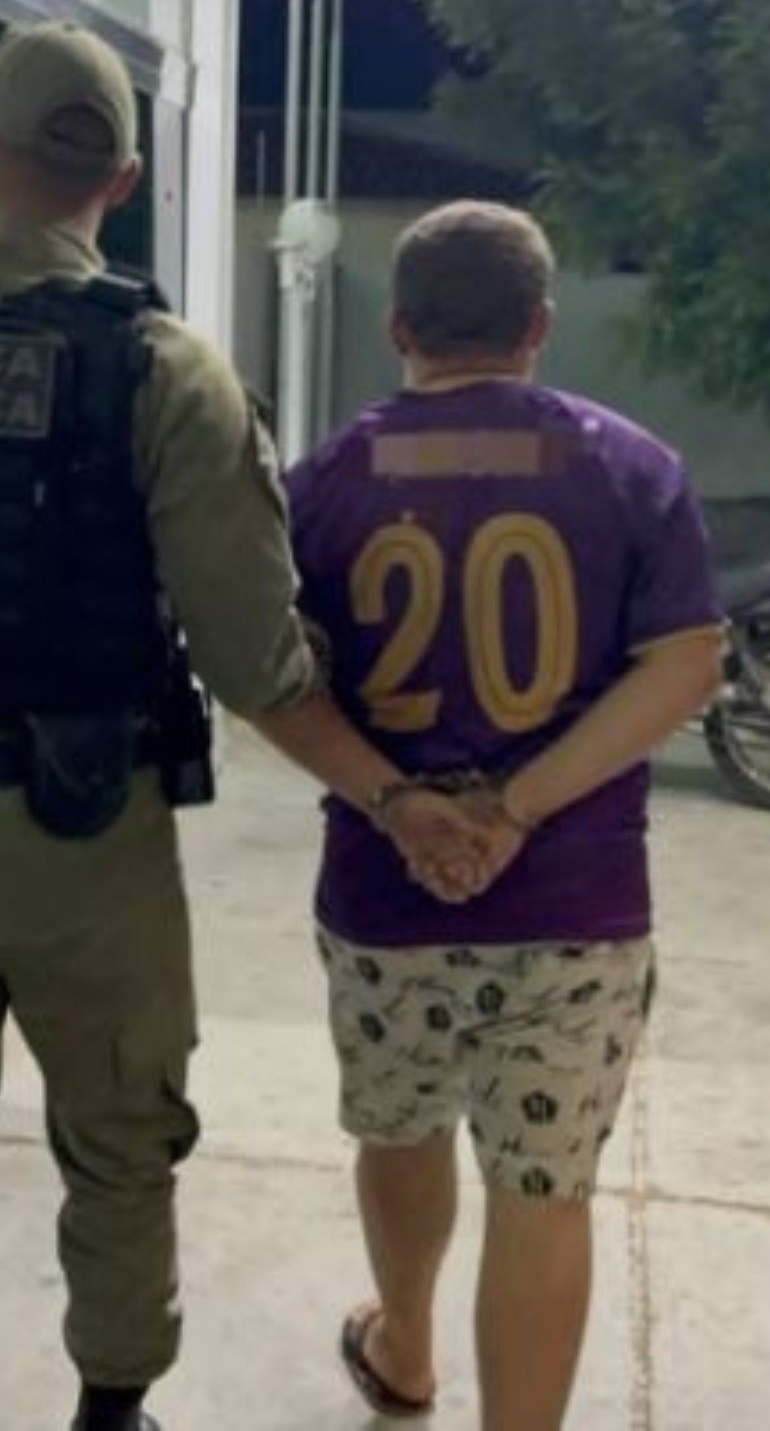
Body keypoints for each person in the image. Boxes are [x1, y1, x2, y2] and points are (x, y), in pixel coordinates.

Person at [0, 24, 492, 1431]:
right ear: (120, 182)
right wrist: (387, 770)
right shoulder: (162, 367)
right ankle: (113, 1414)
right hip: (92, 849)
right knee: (121, 1146)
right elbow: (251, 661)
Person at [287, 200, 727, 1430]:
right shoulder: (631, 468)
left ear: (397, 328)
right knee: (543, 1190)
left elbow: (274, 681)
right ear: (537, 325)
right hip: (575, 904)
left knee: (399, 1128)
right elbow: (686, 663)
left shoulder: (321, 482)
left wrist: (401, 806)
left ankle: (405, 1349)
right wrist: (514, 811)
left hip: (386, 897)